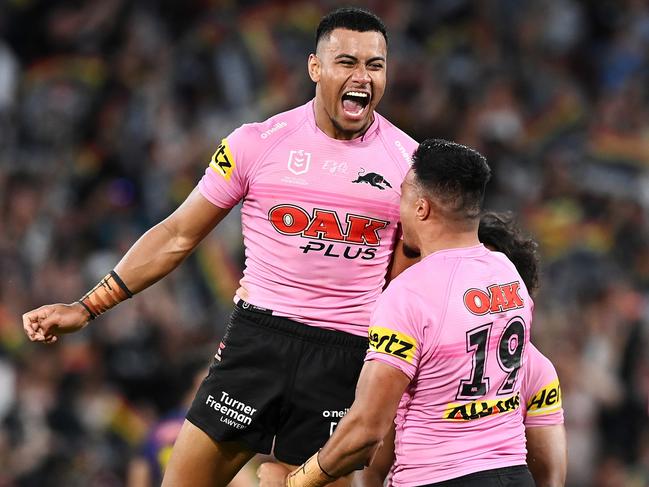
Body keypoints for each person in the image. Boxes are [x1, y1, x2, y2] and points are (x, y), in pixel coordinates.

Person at [21, 7, 418, 487]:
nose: (362, 77)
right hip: (258, 341)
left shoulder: (410, 164)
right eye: (347, 62)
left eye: (375, 65)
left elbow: (411, 277)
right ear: (315, 68)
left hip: (345, 354)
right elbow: (177, 235)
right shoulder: (256, 143)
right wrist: (87, 306)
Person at [266, 139, 537, 486]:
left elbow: (366, 430)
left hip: (439, 478)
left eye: (404, 194)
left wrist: (294, 482)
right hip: (515, 475)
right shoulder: (508, 275)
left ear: (422, 208)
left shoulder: (410, 293)